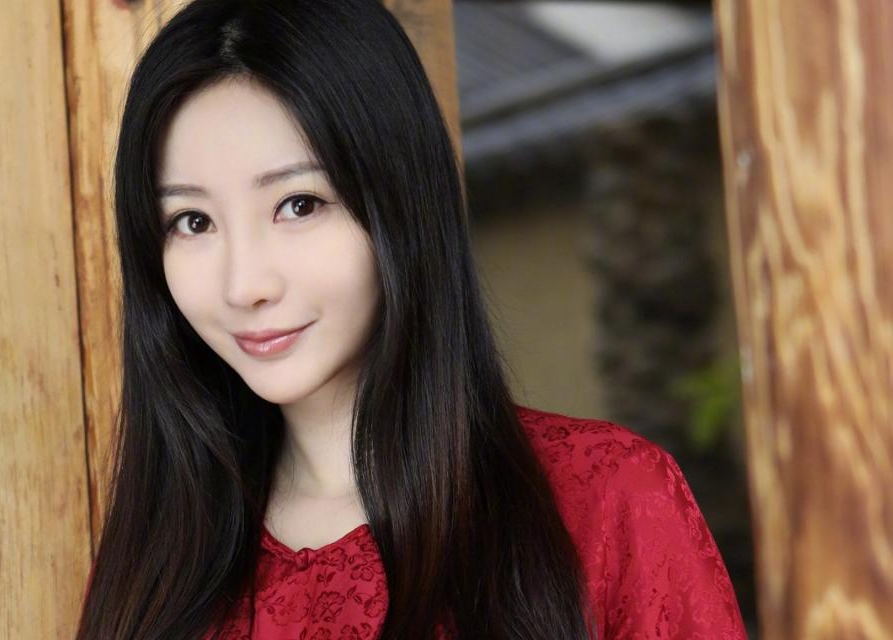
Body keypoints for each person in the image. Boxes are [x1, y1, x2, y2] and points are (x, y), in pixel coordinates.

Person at [75, 1, 748, 638]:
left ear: (398, 202)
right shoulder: (157, 570)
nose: (244, 284)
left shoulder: (606, 501)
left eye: (299, 204)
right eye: (192, 221)